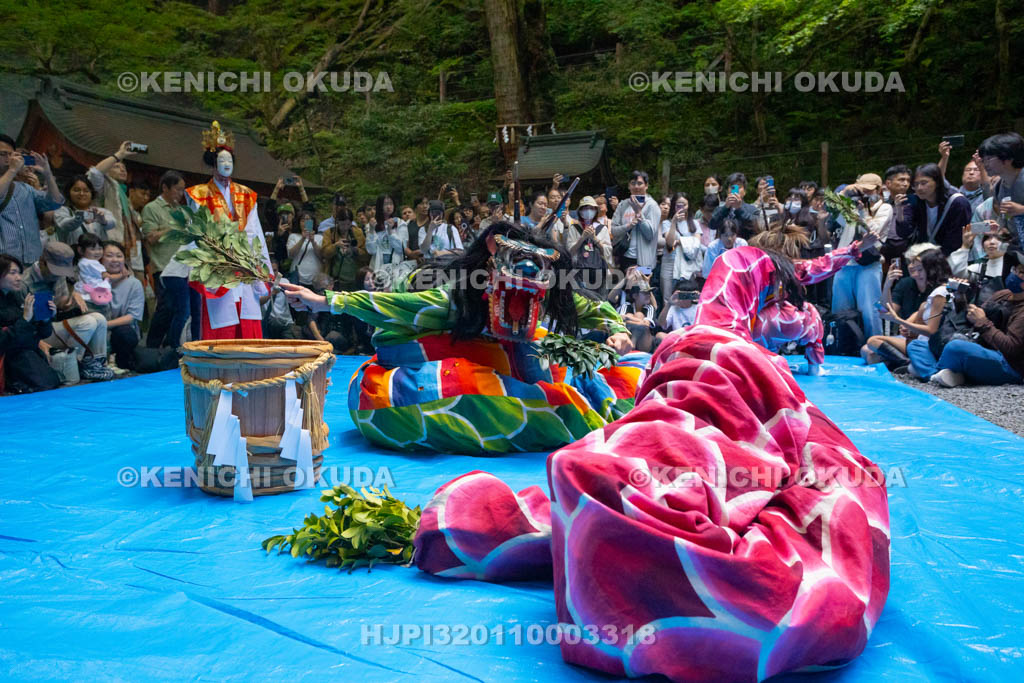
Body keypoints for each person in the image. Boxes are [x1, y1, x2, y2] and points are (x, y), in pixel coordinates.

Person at [412, 245, 889, 683]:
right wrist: (819, 321)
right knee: (798, 460)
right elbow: (796, 300)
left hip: (681, 367)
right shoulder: (750, 284)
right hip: (724, 363)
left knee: (669, 439)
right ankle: (628, 514)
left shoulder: (741, 302)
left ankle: (595, 503)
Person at [280, 222, 647, 454]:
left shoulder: (538, 294)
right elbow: (394, 306)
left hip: (515, 362)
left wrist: (617, 330)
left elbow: (590, 307)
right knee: (462, 381)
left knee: (550, 354)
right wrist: (325, 301)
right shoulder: (457, 300)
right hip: (433, 362)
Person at [183, 121, 271, 340]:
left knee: (248, 314)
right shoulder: (199, 194)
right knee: (222, 318)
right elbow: (197, 233)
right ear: (213, 164)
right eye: (222, 160)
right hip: (218, 263)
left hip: (244, 262)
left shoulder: (247, 194)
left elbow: (255, 232)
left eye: (229, 160)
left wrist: (259, 266)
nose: (226, 164)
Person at [905, 256, 1024, 387]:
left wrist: (983, 322)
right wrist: (960, 298)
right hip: (979, 344)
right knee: (916, 345)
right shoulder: (1003, 294)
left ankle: (930, 370)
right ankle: (937, 375)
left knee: (955, 347)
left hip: (1007, 364)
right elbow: (972, 318)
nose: (1015, 275)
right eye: (1016, 270)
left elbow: (1011, 348)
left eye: (1022, 273)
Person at [24, 241, 113, 380]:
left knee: (99, 318)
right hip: (37, 335)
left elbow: (61, 306)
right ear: (42, 262)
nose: (58, 275)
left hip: (52, 326)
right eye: (55, 271)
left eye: (62, 271)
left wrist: (72, 298)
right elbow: (21, 322)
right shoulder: (25, 282)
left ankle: (94, 363)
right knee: (88, 322)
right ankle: (73, 364)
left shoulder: (59, 276)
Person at [862, 247, 950, 367]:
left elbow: (931, 329)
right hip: (912, 336)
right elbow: (888, 310)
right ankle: (907, 363)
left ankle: (908, 363)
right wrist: (887, 285)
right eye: (910, 263)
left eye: (919, 268)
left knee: (872, 348)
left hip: (924, 340)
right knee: (867, 352)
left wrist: (901, 321)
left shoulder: (938, 292)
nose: (913, 269)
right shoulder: (906, 284)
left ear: (930, 268)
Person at [832, 173, 893, 340]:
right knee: (840, 310)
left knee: (870, 310)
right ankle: (841, 345)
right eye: (861, 190)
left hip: (868, 264)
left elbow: (873, 232)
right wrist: (845, 193)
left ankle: (875, 345)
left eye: (868, 190)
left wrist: (862, 212)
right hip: (844, 262)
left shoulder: (885, 208)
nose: (864, 194)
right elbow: (832, 210)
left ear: (878, 190)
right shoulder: (850, 206)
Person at [141, 171, 189, 349]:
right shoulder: (152, 208)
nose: (181, 194)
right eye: (177, 189)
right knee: (166, 307)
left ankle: (170, 347)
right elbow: (151, 237)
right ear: (165, 188)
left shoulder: (181, 211)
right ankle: (152, 347)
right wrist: (173, 228)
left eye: (183, 190)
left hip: (181, 268)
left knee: (180, 310)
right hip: (162, 266)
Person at [0, 253, 60, 393]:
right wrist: (25, 319)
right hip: (8, 356)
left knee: (52, 381)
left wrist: (45, 319)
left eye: (19, 273)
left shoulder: (16, 296)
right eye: (12, 273)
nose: (18, 278)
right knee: (45, 384)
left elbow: (42, 334)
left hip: (25, 352)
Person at [0, 136, 63, 265]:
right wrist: (13, 170)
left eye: (11, 154)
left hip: (32, 262)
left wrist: (47, 173)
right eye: (3, 154)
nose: (9, 158)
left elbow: (55, 202)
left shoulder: (25, 188)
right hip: (4, 264)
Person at [86, 141, 145, 272]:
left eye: (124, 168)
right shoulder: (103, 186)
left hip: (125, 244)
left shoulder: (122, 193)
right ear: (107, 171)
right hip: (106, 240)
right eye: (117, 167)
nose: (122, 170)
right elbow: (95, 173)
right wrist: (120, 154)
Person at [891, 163, 972, 256]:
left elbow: (956, 240)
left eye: (924, 183)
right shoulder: (916, 200)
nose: (919, 188)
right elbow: (903, 233)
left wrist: (934, 258)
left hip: (952, 256)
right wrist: (900, 211)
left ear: (937, 182)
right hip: (927, 257)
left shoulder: (957, 202)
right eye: (915, 184)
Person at [97, 241, 144, 373]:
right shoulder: (94, 281)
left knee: (125, 334)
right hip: (97, 329)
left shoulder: (134, 284)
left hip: (120, 329)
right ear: (100, 259)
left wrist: (103, 324)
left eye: (119, 256)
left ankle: (123, 363)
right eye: (109, 256)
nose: (114, 260)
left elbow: (132, 316)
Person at [978, 132, 1024, 246]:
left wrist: (1022, 210)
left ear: (1008, 158)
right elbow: (1007, 224)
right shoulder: (998, 188)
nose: (985, 164)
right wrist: (998, 228)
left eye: (989, 159)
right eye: (983, 160)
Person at [610, 171, 661, 270]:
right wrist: (628, 226)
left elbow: (650, 234)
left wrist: (638, 212)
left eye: (640, 183)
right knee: (625, 280)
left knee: (642, 280)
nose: (636, 186)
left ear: (646, 186)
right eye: (633, 183)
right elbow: (613, 230)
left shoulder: (652, 206)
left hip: (645, 261)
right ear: (629, 186)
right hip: (624, 257)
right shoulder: (623, 205)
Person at [53, 176, 116, 245]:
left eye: (86, 191)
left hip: (99, 251)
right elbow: (64, 225)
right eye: (76, 190)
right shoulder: (62, 210)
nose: (82, 193)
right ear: (68, 193)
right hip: (72, 251)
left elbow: (112, 224)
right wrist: (80, 217)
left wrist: (103, 221)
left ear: (92, 193)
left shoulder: (100, 211)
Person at [663, 192, 704, 288]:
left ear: (688, 206)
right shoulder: (667, 223)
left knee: (687, 293)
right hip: (670, 264)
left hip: (688, 265)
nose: (681, 208)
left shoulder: (694, 223)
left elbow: (696, 243)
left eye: (684, 205)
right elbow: (670, 243)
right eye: (678, 205)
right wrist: (674, 222)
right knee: (668, 294)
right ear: (673, 206)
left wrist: (679, 241)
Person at [708, 172, 757, 239]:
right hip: (724, 245)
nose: (735, 190)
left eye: (739, 187)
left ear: (744, 192)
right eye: (732, 187)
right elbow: (712, 225)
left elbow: (754, 226)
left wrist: (739, 209)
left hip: (745, 244)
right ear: (727, 191)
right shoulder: (719, 209)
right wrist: (725, 208)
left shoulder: (752, 209)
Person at [286, 211, 324, 287]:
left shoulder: (320, 237)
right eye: (303, 220)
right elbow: (291, 255)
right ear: (299, 223)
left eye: (308, 220)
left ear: (313, 222)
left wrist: (313, 241)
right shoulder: (293, 236)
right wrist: (303, 238)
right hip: (297, 277)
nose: (305, 223)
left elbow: (322, 257)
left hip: (315, 277)